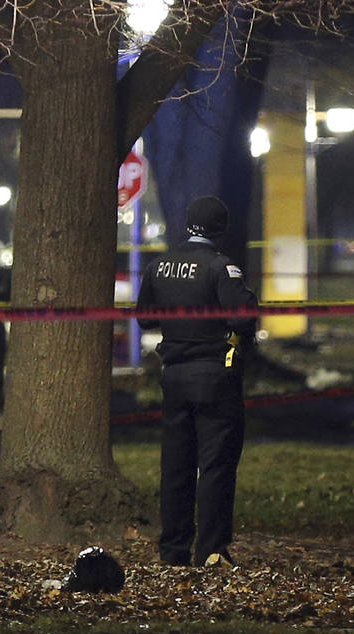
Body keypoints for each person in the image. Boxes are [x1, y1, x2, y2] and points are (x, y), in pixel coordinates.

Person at [136, 196, 258, 568]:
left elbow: (144, 318)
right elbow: (242, 319)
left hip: (173, 377)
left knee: (176, 466)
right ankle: (212, 551)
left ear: (188, 224)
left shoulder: (159, 266)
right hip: (213, 377)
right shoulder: (222, 268)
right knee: (216, 465)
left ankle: (173, 551)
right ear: (221, 229)